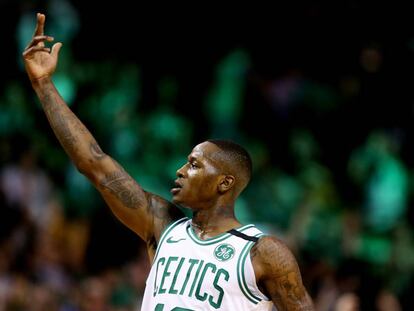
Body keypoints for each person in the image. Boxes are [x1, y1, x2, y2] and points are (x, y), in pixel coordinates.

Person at [23, 13, 314, 311]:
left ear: (224, 182)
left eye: (195, 164)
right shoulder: (163, 226)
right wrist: (43, 84)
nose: (181, 170)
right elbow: (93, 163)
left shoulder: (262, 252)